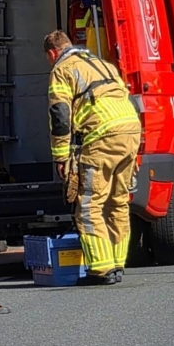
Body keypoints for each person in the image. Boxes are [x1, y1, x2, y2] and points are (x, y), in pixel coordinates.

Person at [45, 30, 142, 284]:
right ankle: (118, 262)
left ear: (52, 53)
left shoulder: (62, 70)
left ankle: (101, 268)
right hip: (131, 132)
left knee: (88, 205)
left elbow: (60, 116)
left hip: (102, 136)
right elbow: (131, 100)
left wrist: (62, 156)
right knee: (118, 201)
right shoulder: (104, 65)